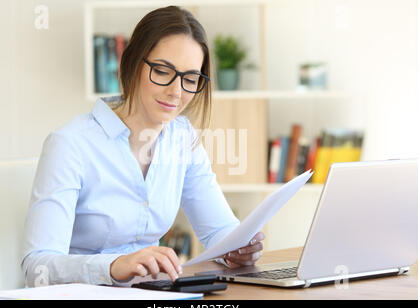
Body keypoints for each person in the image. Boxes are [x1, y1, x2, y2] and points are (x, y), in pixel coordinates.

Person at [21, 5, 264, 287]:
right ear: (134, 63)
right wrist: (112, 266)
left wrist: (238, 250)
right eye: (162, 71)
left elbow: (219, 230)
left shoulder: (182, 138)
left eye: (190, 79)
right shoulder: (70, 145)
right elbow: (37, 266)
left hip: (154, 295)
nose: (176, 92)